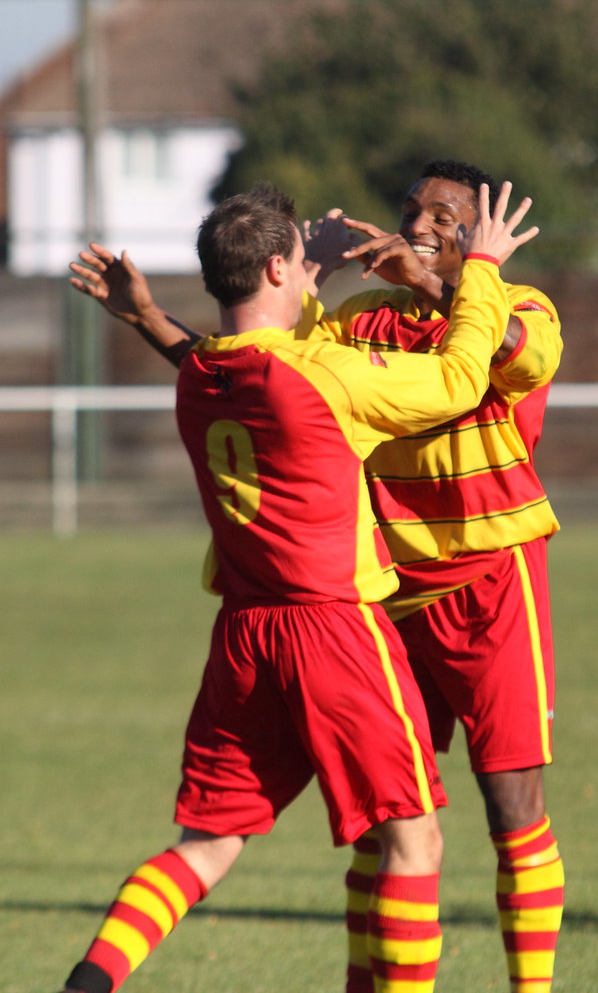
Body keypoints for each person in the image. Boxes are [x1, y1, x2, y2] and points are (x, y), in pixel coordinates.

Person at [59, 179, 539, 993]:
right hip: (336, 634)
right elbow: (461, 380)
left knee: (203, 844)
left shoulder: (199, 377)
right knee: (413, 845)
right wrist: (483, 266)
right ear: (278, 270)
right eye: (302, 266)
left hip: (244, 637)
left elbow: (203, 346)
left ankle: (85, 984)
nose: (316, 274)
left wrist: (145, 314)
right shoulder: (329, 376)